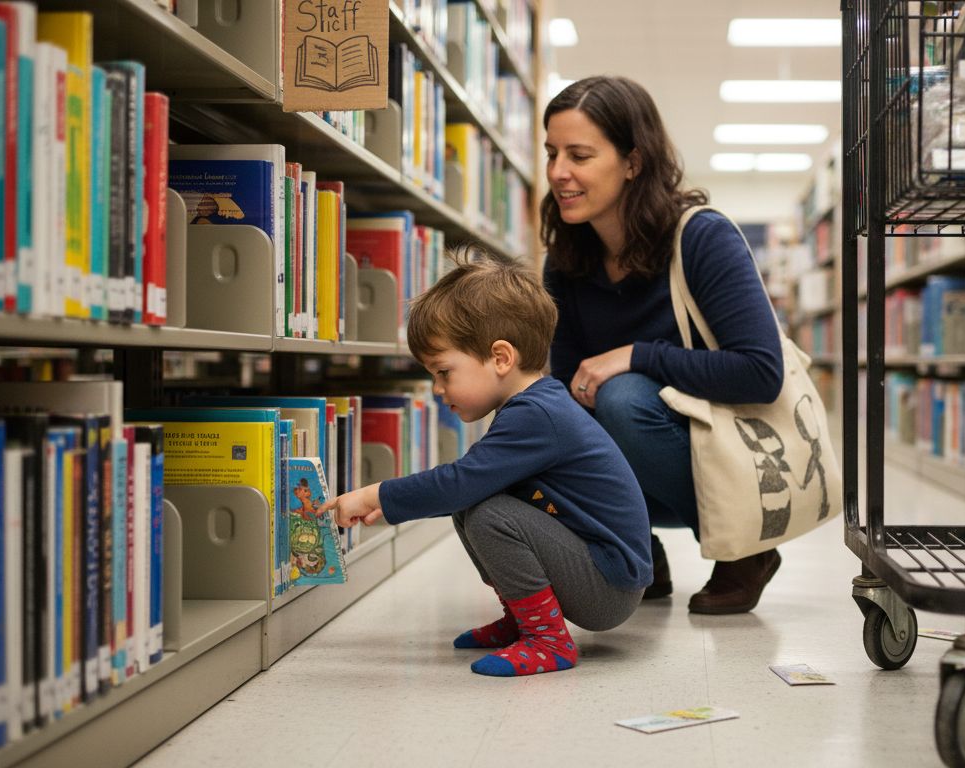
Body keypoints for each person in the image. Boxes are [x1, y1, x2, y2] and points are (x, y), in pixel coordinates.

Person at [322, 250, 652, 677]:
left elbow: (460, 482)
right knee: (474, 504)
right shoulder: (534, 405)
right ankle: (524, 618)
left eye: (443, 372)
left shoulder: (536, 416)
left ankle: (547, 639)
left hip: (609, 587)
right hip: (600, 571)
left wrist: (376, 495)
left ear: (500, 358)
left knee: (488, 511)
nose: (438, 389)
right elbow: (465, 488)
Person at [541, 76, 785, 615]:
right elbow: (565, 382)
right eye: (552, 153)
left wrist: (637, 355)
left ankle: (748, 549)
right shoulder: (567, 259)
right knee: (540, 417)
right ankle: (634, 554)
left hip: (723, 453)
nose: (559, 172)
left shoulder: (701, 237)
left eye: (579, 155)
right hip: (638, 467)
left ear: (633, 161)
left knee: (623, 397)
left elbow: (763, 372)